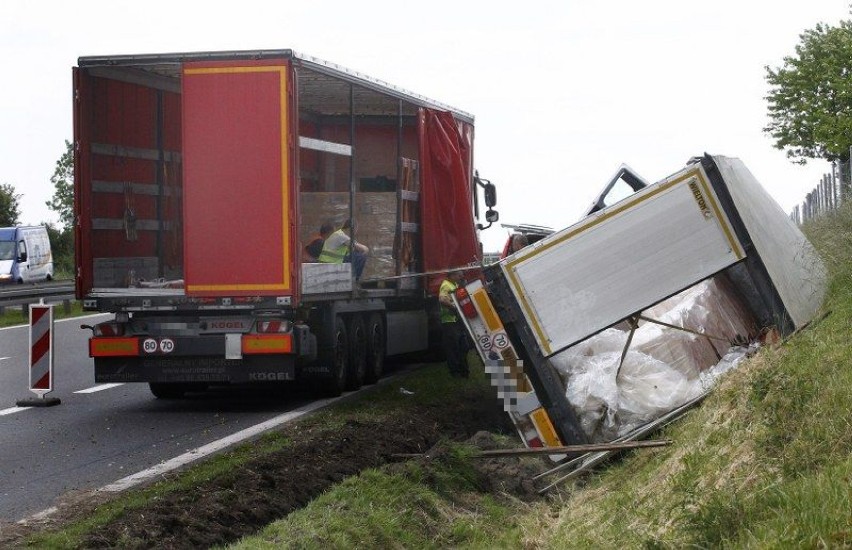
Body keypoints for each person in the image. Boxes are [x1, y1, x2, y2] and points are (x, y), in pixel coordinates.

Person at [439, 269, 470, 378]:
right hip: (449, 321)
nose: (461, 276)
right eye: (459, 275)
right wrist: (455, 308)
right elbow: (442, 299)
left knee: (464, 347)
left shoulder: (454, 284)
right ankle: (456, 372)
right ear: (452, 275)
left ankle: (463, 371)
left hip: (456, 321)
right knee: (453, 348)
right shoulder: (446, 285)